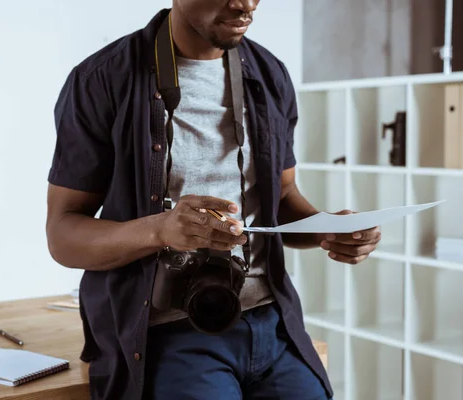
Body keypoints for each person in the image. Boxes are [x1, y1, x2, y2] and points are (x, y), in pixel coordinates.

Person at [45, 1, 382, 399]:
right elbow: (63, 235)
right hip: (167, 333)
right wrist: (160, 230)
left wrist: (327, 228)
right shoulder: (102, 79)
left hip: (272, 323)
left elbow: (283, 195)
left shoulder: (269, 73)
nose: (245, 3)